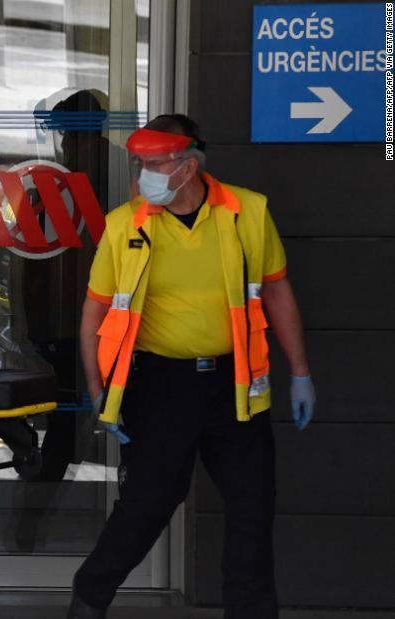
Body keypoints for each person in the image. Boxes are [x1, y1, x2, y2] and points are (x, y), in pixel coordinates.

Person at [68, 114, 316, 619]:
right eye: (139, 165)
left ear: (188, 165)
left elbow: (276, 289)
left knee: (252, 504)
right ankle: (89, 597)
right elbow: (95, 309)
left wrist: (301, 371)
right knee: (148, 504)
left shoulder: (247, 211)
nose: (144, 177)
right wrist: (98, 387)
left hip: (235, 382)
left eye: (155, 164)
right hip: (159, 383)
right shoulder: (125, 224)